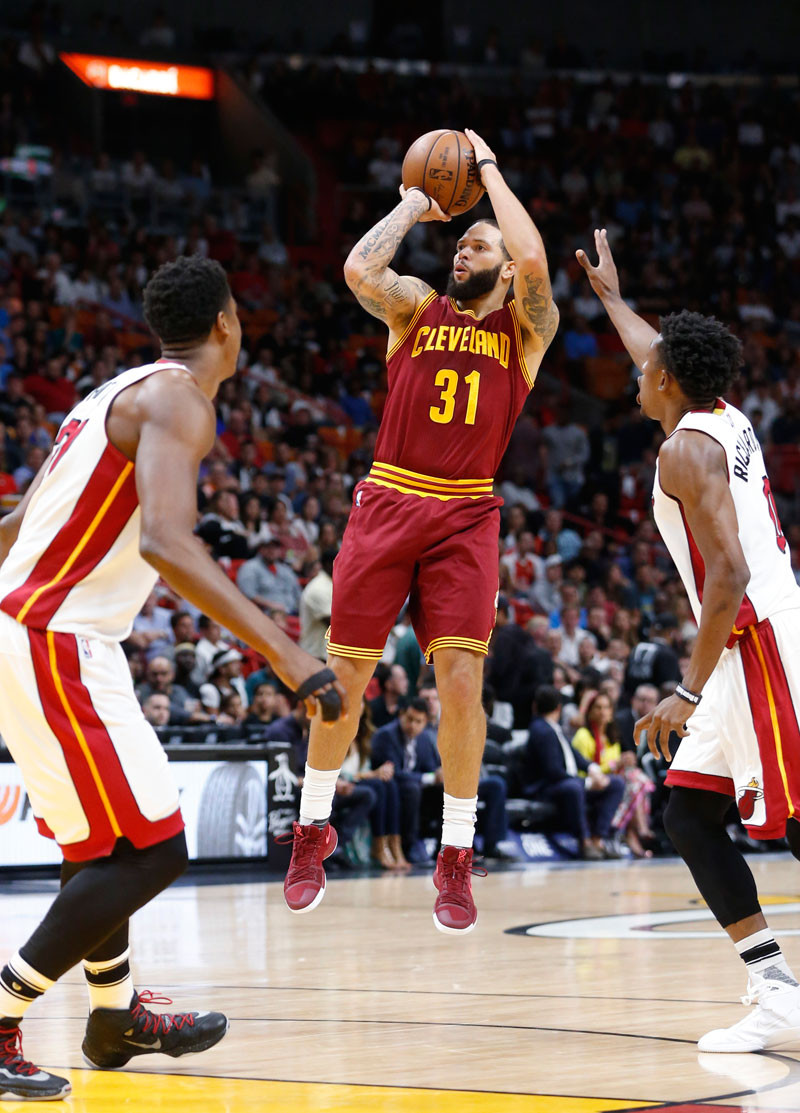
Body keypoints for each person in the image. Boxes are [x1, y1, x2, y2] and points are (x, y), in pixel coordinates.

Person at [0, 254, 343, 1098]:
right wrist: (288, 651)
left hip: (47, 633)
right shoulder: (179, 399)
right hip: (55, 634)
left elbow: (16, 520)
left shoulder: (107, 396)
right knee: (154, 850)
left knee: (105, 848)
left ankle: (114, 1017)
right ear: (228, 322)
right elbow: (166, 541)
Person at [282, 129, 558, 934]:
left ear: (505, 269)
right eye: (461, 242)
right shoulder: (415, 308)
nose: (461, 250)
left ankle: (457, 852)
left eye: (477, 243)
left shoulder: (525, 333)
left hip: (467, 512)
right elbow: (360, 270)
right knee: (343, 682)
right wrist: (415, 202)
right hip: (390, 497)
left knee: (463, 683)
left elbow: (536, 265)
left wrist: (492, 176)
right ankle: (311, 827)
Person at [578, 228, 800, 1052]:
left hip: (761, 643)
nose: (638, 373)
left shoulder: (684, 450)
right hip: (749, 642)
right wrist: (610, 299)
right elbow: (658, 351)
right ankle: (775, 986)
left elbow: (729, 577)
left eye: (646, 371)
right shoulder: (716, 410)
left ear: (667, 383)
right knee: (687, 813)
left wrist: (686, 687)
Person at [522, 686, 625, 859]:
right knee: (574, 787)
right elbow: (553, 772)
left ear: (534, 706)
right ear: (559, 708)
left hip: (564, 783)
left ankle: (598, 839)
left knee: (616, 783)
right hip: (544, 788)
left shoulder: (553, 728)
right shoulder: (541, 730)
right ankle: (584, 842)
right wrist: (588, 783)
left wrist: (594, 770)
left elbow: (574, 756)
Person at [572, 691, 654, 858]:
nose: (603, 712)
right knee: (633, 781)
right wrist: (613, 767)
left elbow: (613, 766)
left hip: (610, 782)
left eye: (607, 707)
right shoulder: (583, 736)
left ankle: (629, 833)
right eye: (598, 708)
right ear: (590, 712)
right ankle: (634, 831)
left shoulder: (612, 737)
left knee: (634, 779)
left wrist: (625, 760)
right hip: (588, 783)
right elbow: (582, 770)